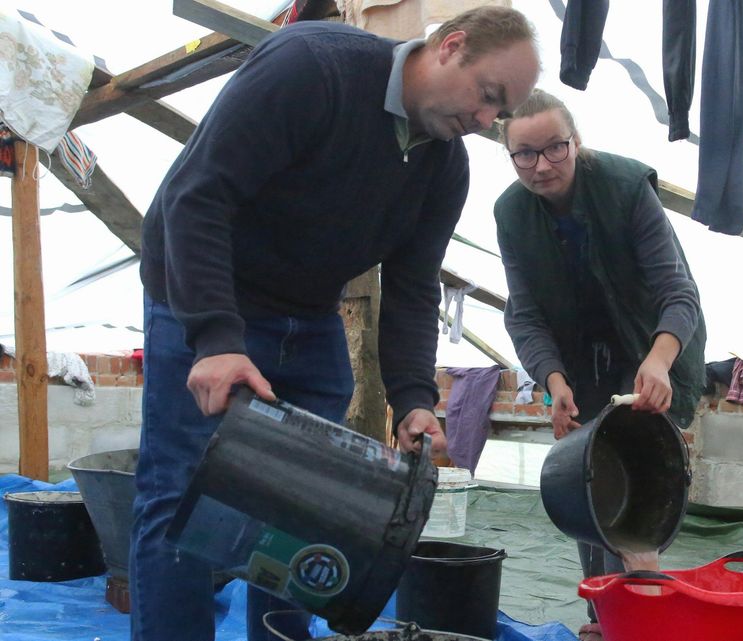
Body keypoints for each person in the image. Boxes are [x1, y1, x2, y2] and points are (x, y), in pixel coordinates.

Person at [130, 8, 539, 641]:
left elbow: (412, 287)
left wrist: (413, 399)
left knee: (305, 506)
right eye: (487, 96)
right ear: (450, 46)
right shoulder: (312, 69)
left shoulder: (445, 167)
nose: (487, 120)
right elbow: (199, 196)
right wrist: (215, 339)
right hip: (209, 296)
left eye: (501, 113)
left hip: (307, 314)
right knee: (183, 497)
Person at [493, 89, 707, 641]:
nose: (542, 166)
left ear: (576, 141)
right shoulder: (511, 213)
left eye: (555, 148)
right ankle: (605, 617)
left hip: (652, 354)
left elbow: (678, 292)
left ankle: (640, 619)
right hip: (580, 367)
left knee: (640, 485)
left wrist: (659, 362)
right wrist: (553, 382)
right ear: (509, 154)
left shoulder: (625, 187)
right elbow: (525, 315)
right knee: (586, 483)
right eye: (525, 154)